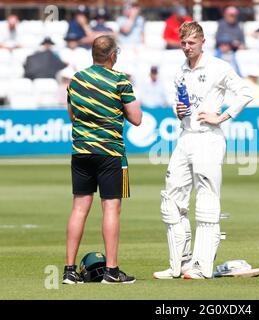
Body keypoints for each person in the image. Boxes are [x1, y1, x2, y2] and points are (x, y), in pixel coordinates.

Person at [153, 21, 252, 280]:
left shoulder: (218, 66)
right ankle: (180, 265)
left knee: (207, 203)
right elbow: (180, 105)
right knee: (171, 201)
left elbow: (245, 93)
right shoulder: (181, 71)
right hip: (185, 137)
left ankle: (202, 266)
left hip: (208, 138)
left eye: (191, 43)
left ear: (202, 42)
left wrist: (222, 115)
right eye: (183, 43)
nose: (186, 48)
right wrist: (178, 111)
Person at [63, 35, 142, 284]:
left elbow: (72, 116)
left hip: (81, 151)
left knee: (78, 208)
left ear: (92, 54)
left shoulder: (76, 80)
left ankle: (69, 271)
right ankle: (111, 270)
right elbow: (137, 118)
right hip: (109, 152)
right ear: (113, 55)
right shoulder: (120, 80)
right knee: (110, 208)